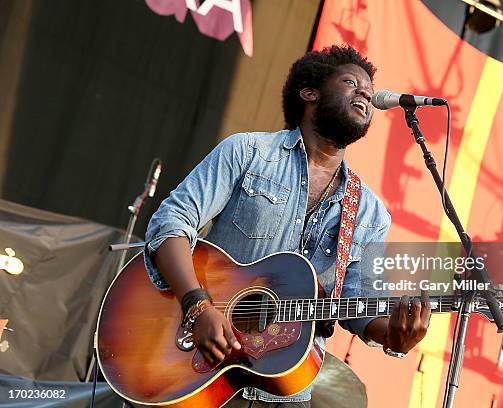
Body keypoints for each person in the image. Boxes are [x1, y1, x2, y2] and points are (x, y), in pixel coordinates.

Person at [144, 45, 431, 407]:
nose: (364, 94)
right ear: (310, 92)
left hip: (284, 391)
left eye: (369, 93)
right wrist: (198, 306)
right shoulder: (247, 153)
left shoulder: (370, 213)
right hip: (200, 369)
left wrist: (394, 337)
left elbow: (361, 307)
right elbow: (170, 223)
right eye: (351, 83)